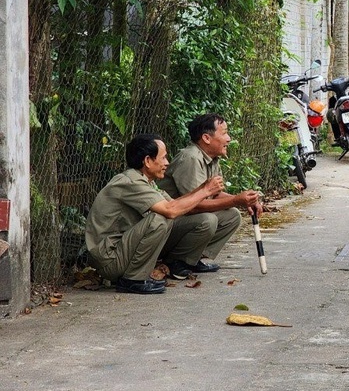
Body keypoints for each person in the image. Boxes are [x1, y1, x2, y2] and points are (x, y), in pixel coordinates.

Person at [85, 134, 225, 294]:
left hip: (121, 252)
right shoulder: (130, 182)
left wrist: (202, 188)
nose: (167, 163)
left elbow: (174, 203)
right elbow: (170, 210)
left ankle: (169, 265)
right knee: (160, 219)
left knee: (203, 219)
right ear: (147, 161)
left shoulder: (146, 181)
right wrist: (206, 191)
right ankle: (132, 279)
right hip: (109, 260)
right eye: (164, 158)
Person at [158, 113, 263, 278]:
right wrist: (236, 200)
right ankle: (174, 261)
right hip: (164, 224)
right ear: (206, 138)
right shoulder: (190, 158)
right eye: (224, 133)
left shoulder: (211, 158)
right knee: (208, 220)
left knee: (232, 215)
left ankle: (191, 259)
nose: (228, 139)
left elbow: (216, 194)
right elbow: (194, 206)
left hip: (181, 220)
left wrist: (244, 201)